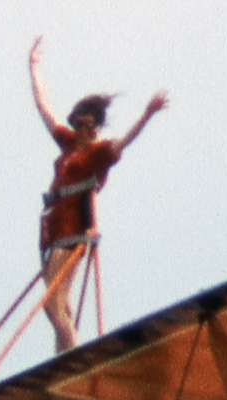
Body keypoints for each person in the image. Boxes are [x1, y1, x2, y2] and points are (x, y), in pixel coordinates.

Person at [30, 37, 167, 352]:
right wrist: (33, 68)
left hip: (73, 233)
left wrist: (146, 115)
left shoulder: (98, 153)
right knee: (59, 303)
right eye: (78, 124)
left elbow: (123, 143)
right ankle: (66, 351)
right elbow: (44, 107)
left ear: (95, 128)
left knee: (52, 302)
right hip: (53, 233)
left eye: (88, 126)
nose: (82, 130)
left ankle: (68, 355)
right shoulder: (67, 144)